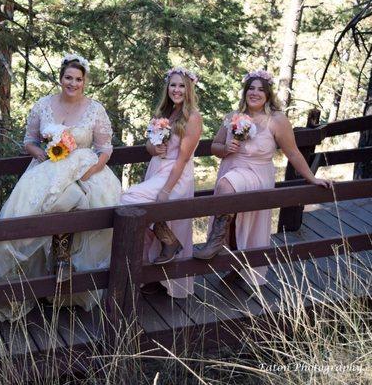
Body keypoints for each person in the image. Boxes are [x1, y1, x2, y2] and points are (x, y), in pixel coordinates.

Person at [0, 54, 122, 321]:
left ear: (85, 82)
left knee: (80, 203)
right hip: (47, 168)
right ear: (61, 78)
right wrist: (41, 154)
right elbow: (29, 141)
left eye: (78, 79)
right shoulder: (43, 105)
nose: (73, 83)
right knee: (30, 212)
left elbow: (105, 148)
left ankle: (66, 273)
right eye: (69, 77)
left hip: (84, 170)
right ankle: (38, 276)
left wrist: (92, 170)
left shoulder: (95, 109)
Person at [193, 70, 331, 286]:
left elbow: (293, 152)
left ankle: (215, 240)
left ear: (268, 94)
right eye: (251, 88)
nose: (255, 93)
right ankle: (233, 263)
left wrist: (312, 178)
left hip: (256, 174)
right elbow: (214, 147)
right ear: (245, 92)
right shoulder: (232, 116)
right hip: (231, 167)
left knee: (226, 186)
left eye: (261, 89)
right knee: (234, 214)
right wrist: (226, 148)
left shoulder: (276, 120)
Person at [120, 67, 202, 298]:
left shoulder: (192, 117)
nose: (176, 90)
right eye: (173, 85)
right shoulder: (163, 114)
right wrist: (153, 148)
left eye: (181, 85)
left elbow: (183, 159)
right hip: (157, 169)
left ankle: (169, 241)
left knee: (128, 199)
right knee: (139, 208)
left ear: (189, 89)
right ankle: (151, 272)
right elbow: (149, 145)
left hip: (175, 175)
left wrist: (166, 190)